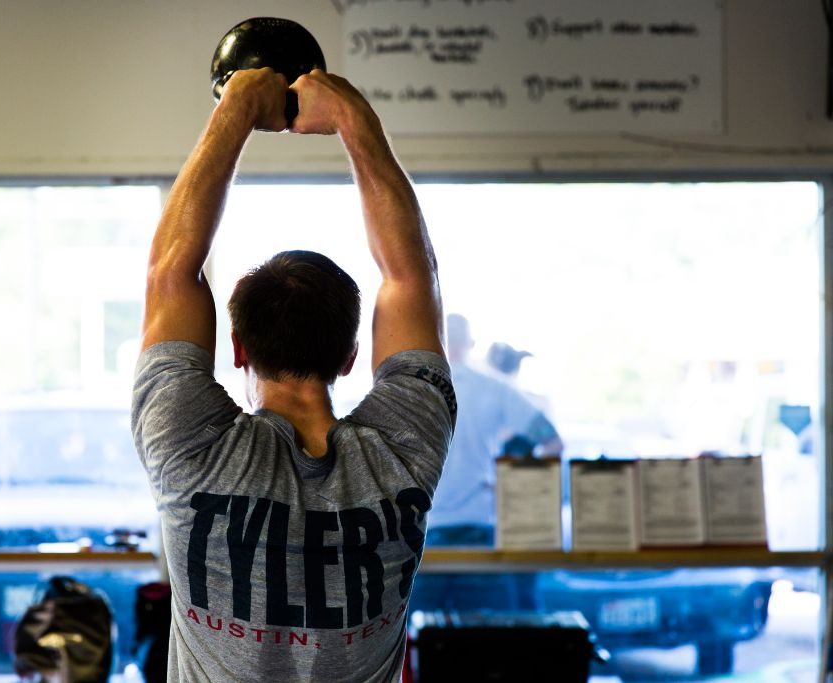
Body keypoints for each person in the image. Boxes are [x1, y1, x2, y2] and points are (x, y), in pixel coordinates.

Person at [131, 68, 455, 683]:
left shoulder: (189, 448)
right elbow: (412, 279)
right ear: (350, 356)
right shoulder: (404, 452)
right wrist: (354, 119)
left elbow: (171, 273)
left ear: (238, 348)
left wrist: (236, 111)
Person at [410, 314, 561, 614]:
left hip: (426, 535)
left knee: (419, 646)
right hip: (480, 533)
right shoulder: (494, 389)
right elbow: (553, 443)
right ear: (471, 344)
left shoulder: (410, 391)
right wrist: (514, 489)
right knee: (487, 644)